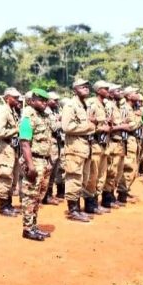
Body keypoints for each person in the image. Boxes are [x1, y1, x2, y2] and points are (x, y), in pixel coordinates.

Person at [19, 89, 53, 241]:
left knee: (38, 196)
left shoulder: (43, 116)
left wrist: (50, 161)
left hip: (44, 160)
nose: (44, 103)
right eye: (41, 100)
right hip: (34, 160)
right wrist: (30, 166)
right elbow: (25, 143)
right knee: (30, 196)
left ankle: (33, 226)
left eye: (46, 100)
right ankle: (27, 229)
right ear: (32, 101)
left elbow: (47, 140)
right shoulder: (28, 117)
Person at [61, 79, 94, 222]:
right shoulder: (70, 105)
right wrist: (89, 125)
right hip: (74, 148)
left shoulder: (84, 105)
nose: (86, 88)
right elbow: (67, 127)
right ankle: (73, 210)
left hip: (85, 147)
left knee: (83, 179)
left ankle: (77, 207)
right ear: (75, 90)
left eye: (87, 86)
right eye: (82, 87)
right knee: (74, 178)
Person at [0, 88, 21, 217]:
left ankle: (8, 204)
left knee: (12, 177)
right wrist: (15, 130)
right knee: (5, 176)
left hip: (12, 148)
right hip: (5, 148)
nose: (17, 100)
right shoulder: (3, 111)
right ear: (7, 98)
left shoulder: (12, 111)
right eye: (14, 98)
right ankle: (3, 207)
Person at [85, 81, 111, 215]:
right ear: (98, 90)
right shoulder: (91, 104)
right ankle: (90, 204)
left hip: (103, 143)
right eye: (105, 88)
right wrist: (101, 127)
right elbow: (87, 124)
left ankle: (96, 201)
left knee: (102, 175)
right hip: (94, 143)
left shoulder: (104, 105)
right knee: (93, 175)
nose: (107, 90)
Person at [100, 84, 126, 210]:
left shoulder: (117, 105)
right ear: (111, 93)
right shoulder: (109, 106)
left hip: (120, 143)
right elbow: (109, 125)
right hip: (112, 143)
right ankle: (107, 198)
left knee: (117, 172)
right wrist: (121, 126)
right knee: (111, 171)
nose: (120, 92)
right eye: (117, 90)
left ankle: (111, 195)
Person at [116, 87, 142, 204]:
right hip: (128, 139)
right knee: (128, 166)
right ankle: (122, 193)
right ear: (128, 96)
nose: (138, 94)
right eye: (135, 92)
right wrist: (139, 118)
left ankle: (125, 190)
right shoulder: (125, 108)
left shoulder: (135, 108)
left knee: (134, 167)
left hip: (134, 139)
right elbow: (129, 126)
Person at [42, 91, 63, 205]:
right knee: (49, 170)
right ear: (49, 100)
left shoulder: (56, 111)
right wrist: (61, 120)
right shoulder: (46, 112)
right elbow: (54, 127)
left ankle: (49, 194)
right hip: (51, 144)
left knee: (54, 171)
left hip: (57, 143)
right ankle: (45, 196)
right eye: (54, 100)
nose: (57, 102)